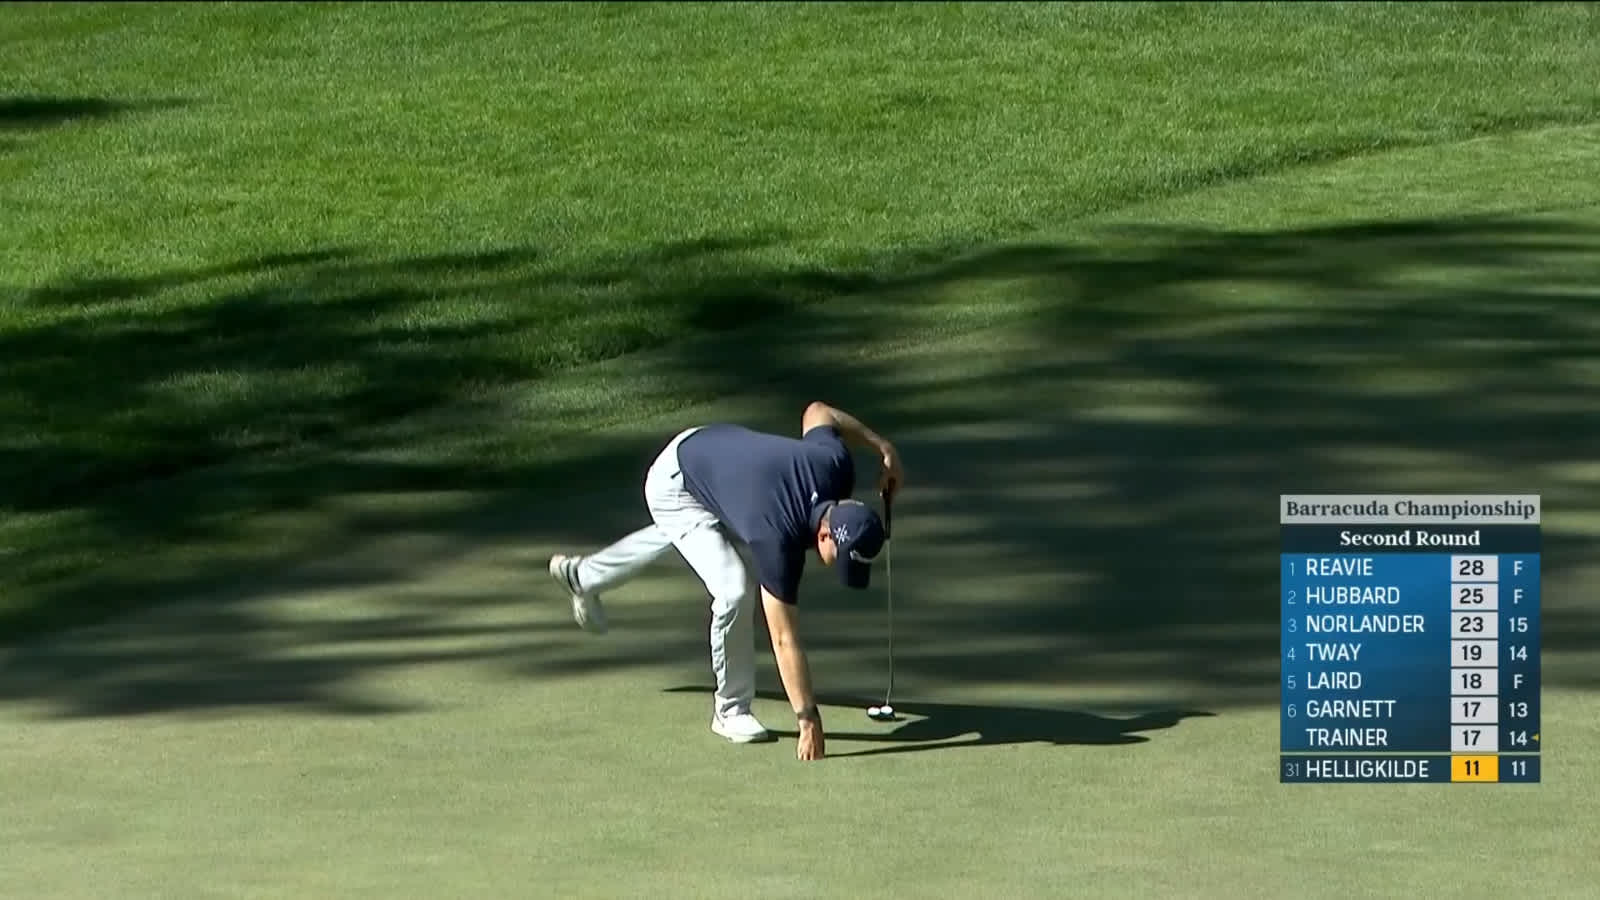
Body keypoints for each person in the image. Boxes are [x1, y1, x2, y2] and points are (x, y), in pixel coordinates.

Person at [547, 401, 903, 762]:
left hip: (711, 450)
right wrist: (807, 718)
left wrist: (883, 448)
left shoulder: (835, 465)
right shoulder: (775, 537)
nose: (835, 567)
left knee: (686, 534)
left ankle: (583, 576)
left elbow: (817, 412)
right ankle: (729, 709)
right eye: (838, 558)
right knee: (733, 589)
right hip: (677, 481)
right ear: (825, 535)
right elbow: (783, 637)